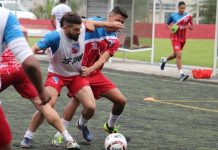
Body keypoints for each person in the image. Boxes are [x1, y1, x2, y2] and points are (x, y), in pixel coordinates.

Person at [20, 12, 124, 148]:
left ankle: (81, 125)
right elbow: (34, 48)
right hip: (56, 75)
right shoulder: (55, 36)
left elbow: (88, 23)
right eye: (76, 30)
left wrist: (108, 24)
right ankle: (28, 136)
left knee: (91, 106)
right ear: (65, 28)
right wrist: (25, 59)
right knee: (47, 106)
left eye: (80, 28)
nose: (80, 32)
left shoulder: (82, 28)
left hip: (76, 75)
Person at [52, 6, 128, 146]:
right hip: (78, 72)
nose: (119, 25)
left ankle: (104, 125)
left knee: (121, 101)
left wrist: (91, 69)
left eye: (122, 22)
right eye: (117, 20)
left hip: (94, 73)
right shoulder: (95, 22)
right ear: (109, 16)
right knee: (76, 101)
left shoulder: (114, 39)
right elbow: (77, 20)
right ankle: (59, 135)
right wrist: (102, 24)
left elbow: (103, 59)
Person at [0, 26, 80, 150]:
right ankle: (69, 139)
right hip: (21, 67)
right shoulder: (14, 24)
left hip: (4, 69)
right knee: (43, 105)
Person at [0, 8, 50, 150]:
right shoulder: (5, 16)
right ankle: (65, 135)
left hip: (9, 69)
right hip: (19, 68)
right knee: (4, 144)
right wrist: (41, 90)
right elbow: (30, 62)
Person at [160, 1, 193, 81]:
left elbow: (191, 23)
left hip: (183, 39)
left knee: (175, 55)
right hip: (175, 38)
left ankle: (164, 60)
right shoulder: (173, 16)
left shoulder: (188, 16)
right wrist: (170, 28)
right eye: (181, 8)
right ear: (178, 8)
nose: (183, 9)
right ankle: (181, 74)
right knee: (179, 54)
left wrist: (190, 26)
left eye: (184, 8)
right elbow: (167, 24)